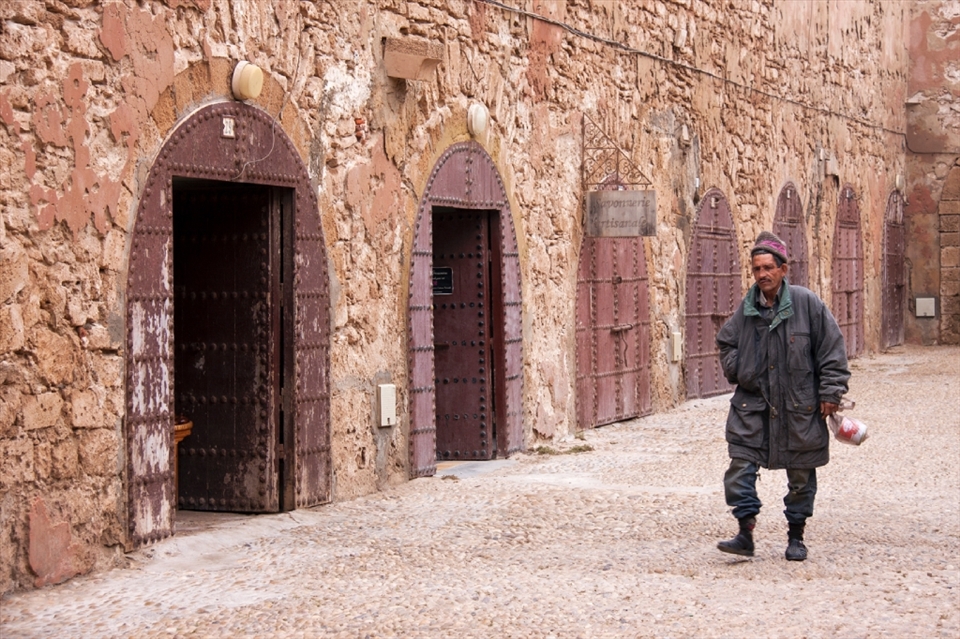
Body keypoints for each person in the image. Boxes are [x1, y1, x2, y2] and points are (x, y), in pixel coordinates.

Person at [715, 231, 850, 561]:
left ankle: (796, 535)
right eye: (756, 269)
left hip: (799, 407)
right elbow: (726, 342)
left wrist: (831, 391)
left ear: (783, 270)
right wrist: (739, 368)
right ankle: (744, 533)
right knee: (739, 469)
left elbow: (832, 350)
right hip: (752, 408)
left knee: (801, 475)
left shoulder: (807, 304)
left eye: (768, 268)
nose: (762, 275)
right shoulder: (746, 311)